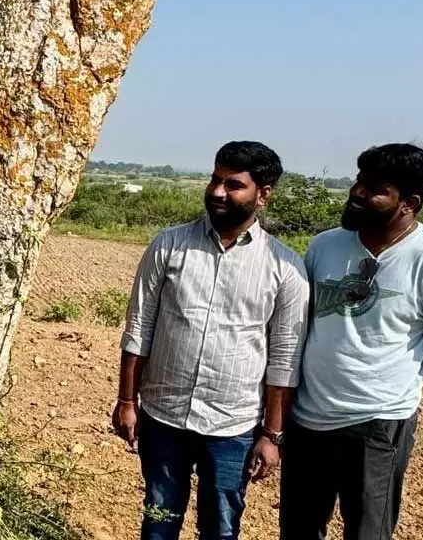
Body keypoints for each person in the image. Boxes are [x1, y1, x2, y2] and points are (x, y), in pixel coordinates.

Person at [280, 144, 423, 540]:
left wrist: (392, 372)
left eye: (374, 189)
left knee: (368, 532)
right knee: (298, 530)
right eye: (358, 181)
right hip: (308, 419)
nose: (356, 192)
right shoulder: (325, 246)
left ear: (409, 203)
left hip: (377, 424)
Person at [114, 140, 311, 540]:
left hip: (233, 426)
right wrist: (126, 401)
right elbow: (139, 328)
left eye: (233, 184)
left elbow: (285, 359)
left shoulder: (286, 268)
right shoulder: (169, 245)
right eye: (215, 180)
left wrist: (271, 436)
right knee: (158, 522)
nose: (218, 192)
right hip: (163, 416)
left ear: (264, 194)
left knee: (220, 529)